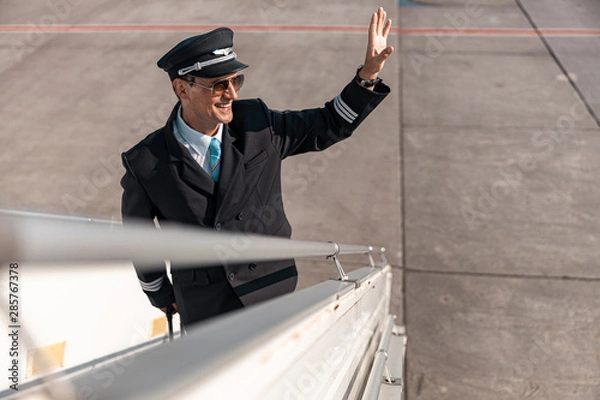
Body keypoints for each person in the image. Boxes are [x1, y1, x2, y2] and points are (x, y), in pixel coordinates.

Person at [120, 7, 394, 327]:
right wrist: (161, 295)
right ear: (183, 88)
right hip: (204, 306)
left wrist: (367, 77)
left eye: (236, 80)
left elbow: (330, 124)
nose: (232, 94)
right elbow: (139, 239)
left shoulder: (257, 124)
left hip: (271, 291)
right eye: (219, 85)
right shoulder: (147, 162)